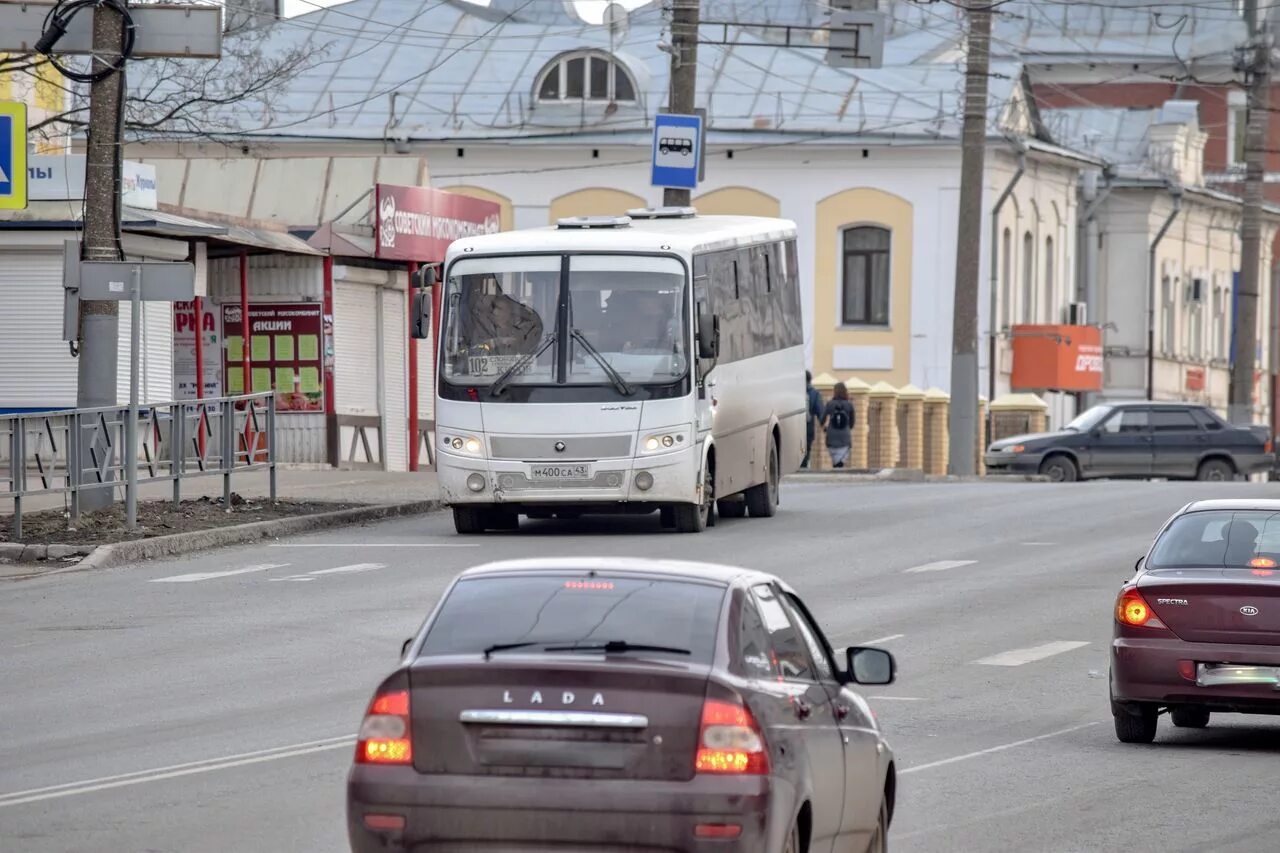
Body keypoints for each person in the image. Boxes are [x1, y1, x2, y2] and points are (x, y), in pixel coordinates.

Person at [824, 381, 854, 469]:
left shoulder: (830, 404)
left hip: (831, 437)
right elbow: (852, 423)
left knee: (835, 460)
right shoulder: (849, 405)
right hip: (845, 437)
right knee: (840, 460)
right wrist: (847, 428)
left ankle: (837, 465)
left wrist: (825, 428)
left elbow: (822, 419)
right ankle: (839, 464)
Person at [801, 371, 824, 468]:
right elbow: (820, 411)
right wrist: (823, 424)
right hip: (808, 428)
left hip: (793, 427)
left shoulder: (793, 391)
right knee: (806, 449)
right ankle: (804, 465)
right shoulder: (814, 393)